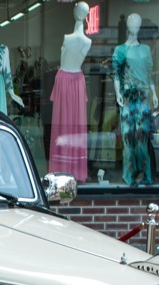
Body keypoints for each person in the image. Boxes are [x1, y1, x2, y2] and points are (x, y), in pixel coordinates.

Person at [112, 13, 158, 186]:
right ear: (127, 25)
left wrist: (154, 93)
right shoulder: (120, 50)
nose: (134, 26)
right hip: (127, 97)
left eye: (137, 23)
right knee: (128, 138)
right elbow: (116, 74)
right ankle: (130, 176)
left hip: (143, 97)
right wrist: (117, 93)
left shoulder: (145, 50)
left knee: (142, 138)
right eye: (132, 23)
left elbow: (149, 74)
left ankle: (144, 175)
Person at [49, 2, 92, 182]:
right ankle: (73, 170)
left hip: (68, 80)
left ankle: (62, 169)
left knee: (64, 125)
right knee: (73, 125)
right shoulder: (86, 41)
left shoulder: (70, 39)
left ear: (75, 12)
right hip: (74, 81)